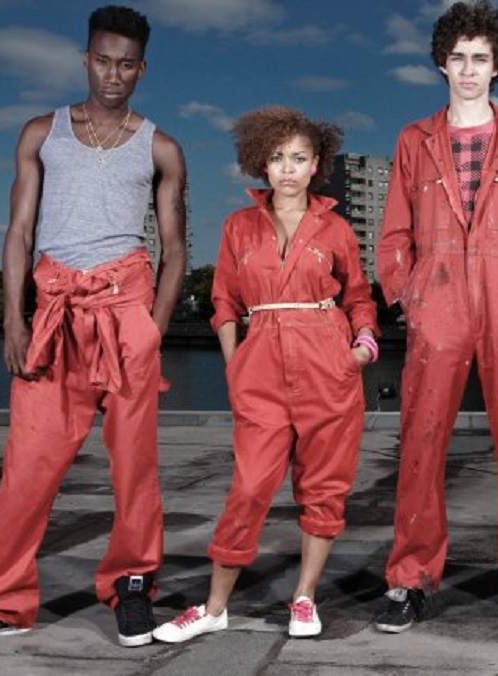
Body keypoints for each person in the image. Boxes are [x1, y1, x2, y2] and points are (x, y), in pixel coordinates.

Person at [0, 5, 186, 650]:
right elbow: (18, 232)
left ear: (141, 68)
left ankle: (130, 586)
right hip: (55, 313)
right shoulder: (42, 132)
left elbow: (176, 248)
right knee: (29, 466)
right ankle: (4, 601)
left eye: (127, 63)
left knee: (135, 471)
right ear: (86, 58)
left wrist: (152, 329)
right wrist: (14, 317)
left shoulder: (161, 146)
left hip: (126, 313)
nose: (113, 73)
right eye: (103, 58)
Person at [373, 0, 498, 633]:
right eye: (457, 58)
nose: (468, 70)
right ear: (440, 62)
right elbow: (394, 230)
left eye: (480, 59)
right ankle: (411, 576)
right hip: (441, 301)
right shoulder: (414, 140)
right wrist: (410, 296)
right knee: (422, 442)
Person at [151, 107, 378, 643]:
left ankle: (304, 598)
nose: (287, 169)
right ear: (261, 164)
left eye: (299, 158)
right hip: (262, 371)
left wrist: (362, 349)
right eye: (276, 158)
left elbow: (360, 296)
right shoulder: (238, 227)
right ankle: (213, 607)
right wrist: (236, 365)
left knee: (323, 490)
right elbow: (224, 302)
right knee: (249, 488)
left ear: (316, 163)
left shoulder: (337, 229)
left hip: (329, 366)